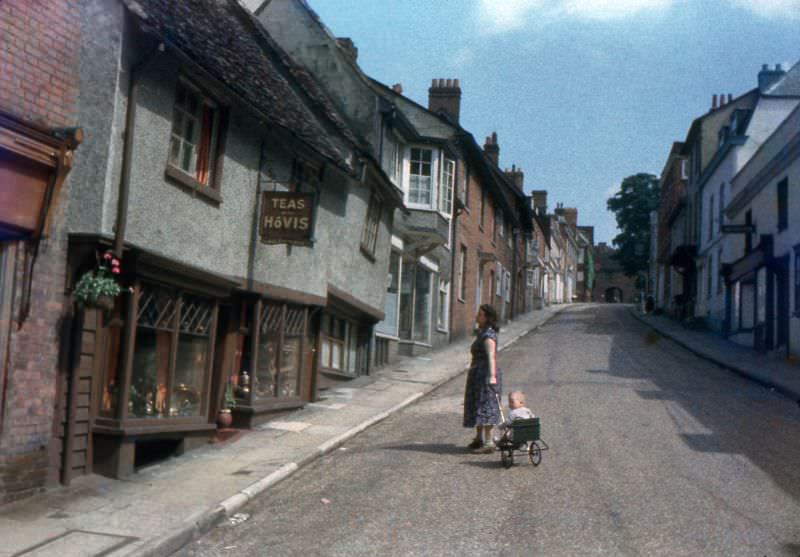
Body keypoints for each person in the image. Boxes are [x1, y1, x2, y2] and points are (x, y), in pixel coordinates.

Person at [463, 304, 502, 454]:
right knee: (477, 406)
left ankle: (489, 442)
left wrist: (492, 376)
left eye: (479, 315)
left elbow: (491, 356)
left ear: (486, 318)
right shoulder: (482, 333)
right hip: (477, 375)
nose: (476, 317)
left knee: (487, 407)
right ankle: (478, 438)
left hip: (486, 376)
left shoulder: (488, 335)